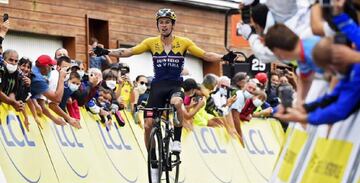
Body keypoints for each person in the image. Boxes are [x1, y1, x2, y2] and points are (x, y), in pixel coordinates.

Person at [93, 8, 235, 156]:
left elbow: (205, 55)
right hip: (157, 87)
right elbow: (129, 52)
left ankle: (177, 140)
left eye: (167, 22)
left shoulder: (184, 42)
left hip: (175, 86)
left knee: (177, 102)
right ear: (158, 25)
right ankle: (153, 159)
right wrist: (106, 52)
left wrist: (223, 57)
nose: (164, 25)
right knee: (148, 125)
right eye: (161, 22)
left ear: (173, 25)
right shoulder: (151, 42)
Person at [275, 37, 360, 125]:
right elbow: (332, 96)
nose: (331, 74)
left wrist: (305, 118)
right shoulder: (348, 70)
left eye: (329, 70)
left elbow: (341, 109)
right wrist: (305, 108)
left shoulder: (356, 73)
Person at [264, 24, 323, 105]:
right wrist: (298, 104)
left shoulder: (315, 51)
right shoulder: (301, 56)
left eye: (274, 53)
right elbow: (305, 80)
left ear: (278, 50)